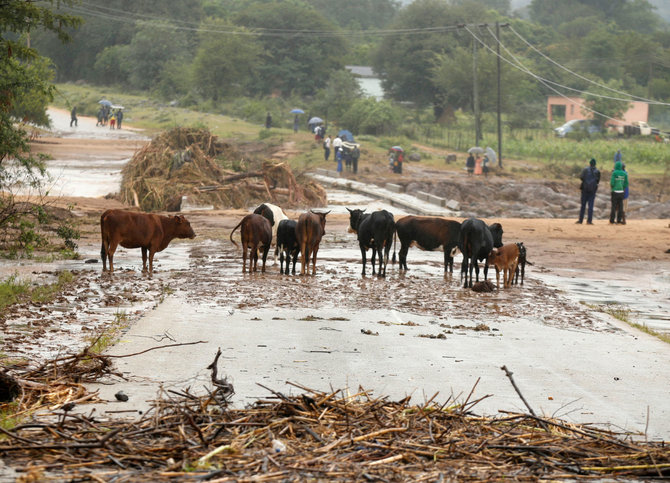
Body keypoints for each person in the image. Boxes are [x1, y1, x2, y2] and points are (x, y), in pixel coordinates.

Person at [577, 158, 600, 224]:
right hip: (592, 190)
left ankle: (580, 220)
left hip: (584, 189)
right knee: (591, 206)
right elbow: (598, 181)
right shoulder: (597, 171)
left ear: (590, 163)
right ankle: (589, 221)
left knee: (583, 205)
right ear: (595, 164)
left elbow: (581, 177)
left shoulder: (585, 170)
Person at [610, 160, 628, 224]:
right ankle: (619, 220)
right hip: (621, 192)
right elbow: (626, 183)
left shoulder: (614, 173)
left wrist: (613, 188)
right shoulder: (624, 173)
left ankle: (612, 220)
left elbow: (612, 183)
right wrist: (622, 188)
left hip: (615, 191)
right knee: (621, 206)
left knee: (614, 206)